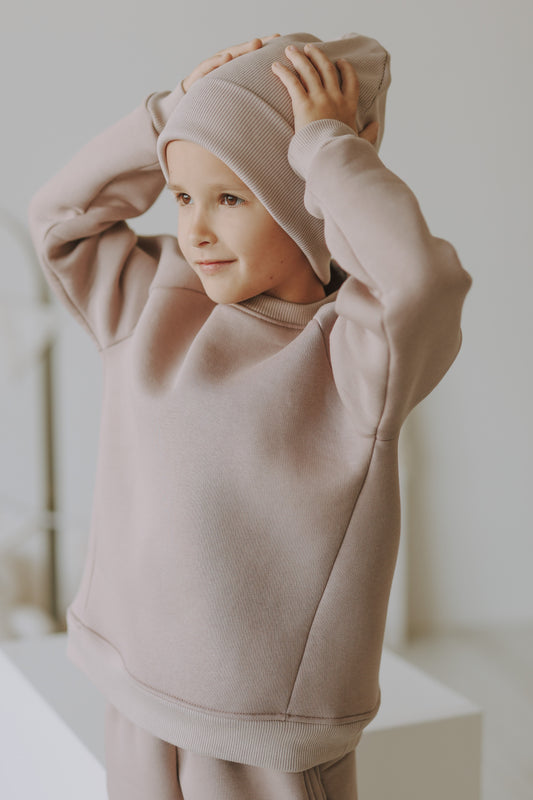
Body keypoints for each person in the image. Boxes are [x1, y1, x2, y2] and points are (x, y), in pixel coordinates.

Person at [28, 31, 472, 799]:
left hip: (261, 733)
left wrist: (328, 147)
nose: (195, 229)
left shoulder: (356, 357)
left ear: (305, 193)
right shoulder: (151, 299)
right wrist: (165, 115)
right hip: (131, 692)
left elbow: (417, 284)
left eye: (229, 198)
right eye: (182, 196)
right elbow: (57, 218)